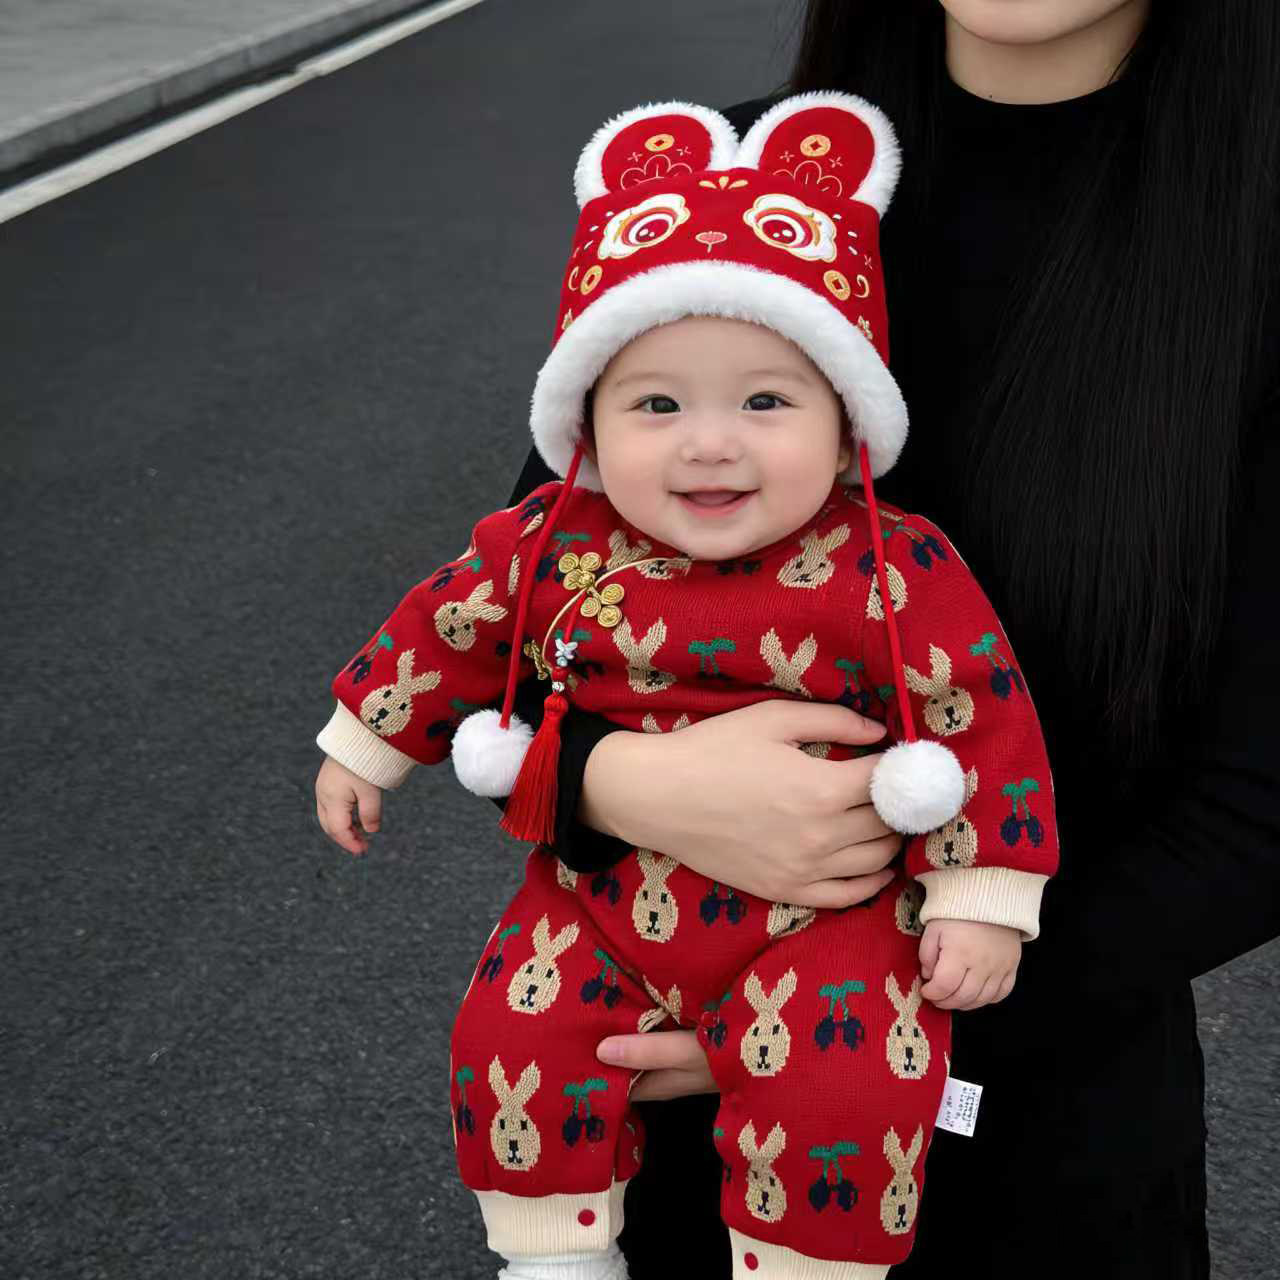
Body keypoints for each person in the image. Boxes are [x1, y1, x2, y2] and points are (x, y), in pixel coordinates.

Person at [494, 3, 1280, 1278]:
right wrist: (608, 777)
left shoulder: (1247, 236)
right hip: (671, 1095)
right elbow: (527, 610)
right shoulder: (754, 178)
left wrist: (857, 1014)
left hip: (1043, 1127)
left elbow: (1254, 812)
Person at [314, 93, 1062, 1279]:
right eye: (654, 404)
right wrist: (364, 742)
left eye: (766, 400)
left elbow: (973, 713)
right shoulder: (552, 539)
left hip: (828, 919)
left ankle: (809, 1266)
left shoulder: (890, 562)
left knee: (847, 1076)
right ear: (589, 429)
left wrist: (977, 891)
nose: (707, 442)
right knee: (507, 1028)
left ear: (844, 425)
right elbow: (450, 625)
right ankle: (552, 1255)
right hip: (597, 893)